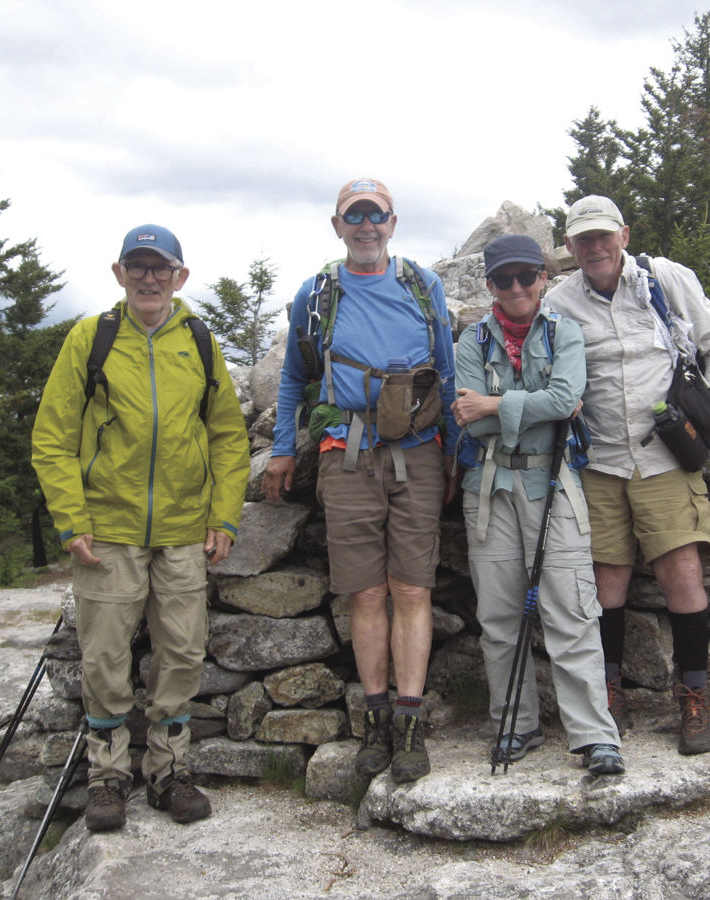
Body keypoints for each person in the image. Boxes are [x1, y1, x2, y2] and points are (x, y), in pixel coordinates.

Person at [32, 224, 250, 832]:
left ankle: (168, 772)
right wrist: (72, 518)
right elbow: (52, 436)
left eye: (161, 268)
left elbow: (229, 437)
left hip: (183, 527)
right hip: (107, 528)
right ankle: (107, 778)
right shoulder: (92, 339)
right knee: (104, 656)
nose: (149, 278)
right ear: (119, 273)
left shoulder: (200, 342)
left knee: (181, 652)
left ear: (180, 276)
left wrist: (223, 514)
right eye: (138, 267)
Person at [264, 178, 458, 783]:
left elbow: (447, 374)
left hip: (419, 451)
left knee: (412, 590)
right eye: (356, 216)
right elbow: (296, 377)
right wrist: (279, 450)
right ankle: (377, 719)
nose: (367, 226)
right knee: (366, 593)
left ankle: (408, 722)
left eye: (377, 215)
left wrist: (455, 454)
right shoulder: (317, 294)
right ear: (338, 225)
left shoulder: (422, 287)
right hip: (344, 451)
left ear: (393, 223)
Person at [545, 196, 710, 755]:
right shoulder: (558, 303)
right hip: (601, 462)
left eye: (603, 236)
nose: (595, 248)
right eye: (583, 240)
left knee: (682, 573)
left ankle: (694, 698)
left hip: (666, 458)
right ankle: (610, 694)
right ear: (570, 247)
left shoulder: (665, 279)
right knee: (607, 583)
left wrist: (706, 394)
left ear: (624, 235)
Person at [453, 234, 624, 775]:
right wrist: (536, 407)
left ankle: (596, 736)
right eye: (505, 279)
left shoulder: (564, 332)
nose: (517, 287)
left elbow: (568, 401)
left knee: (571, 609)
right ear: (490, 286)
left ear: (543, 279)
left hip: (555, 485)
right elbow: (468, 416)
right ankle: (516, 723)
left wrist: (497, 403)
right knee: (498, 615)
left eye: (527, 276)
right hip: (490, 490)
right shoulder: (470, 342)